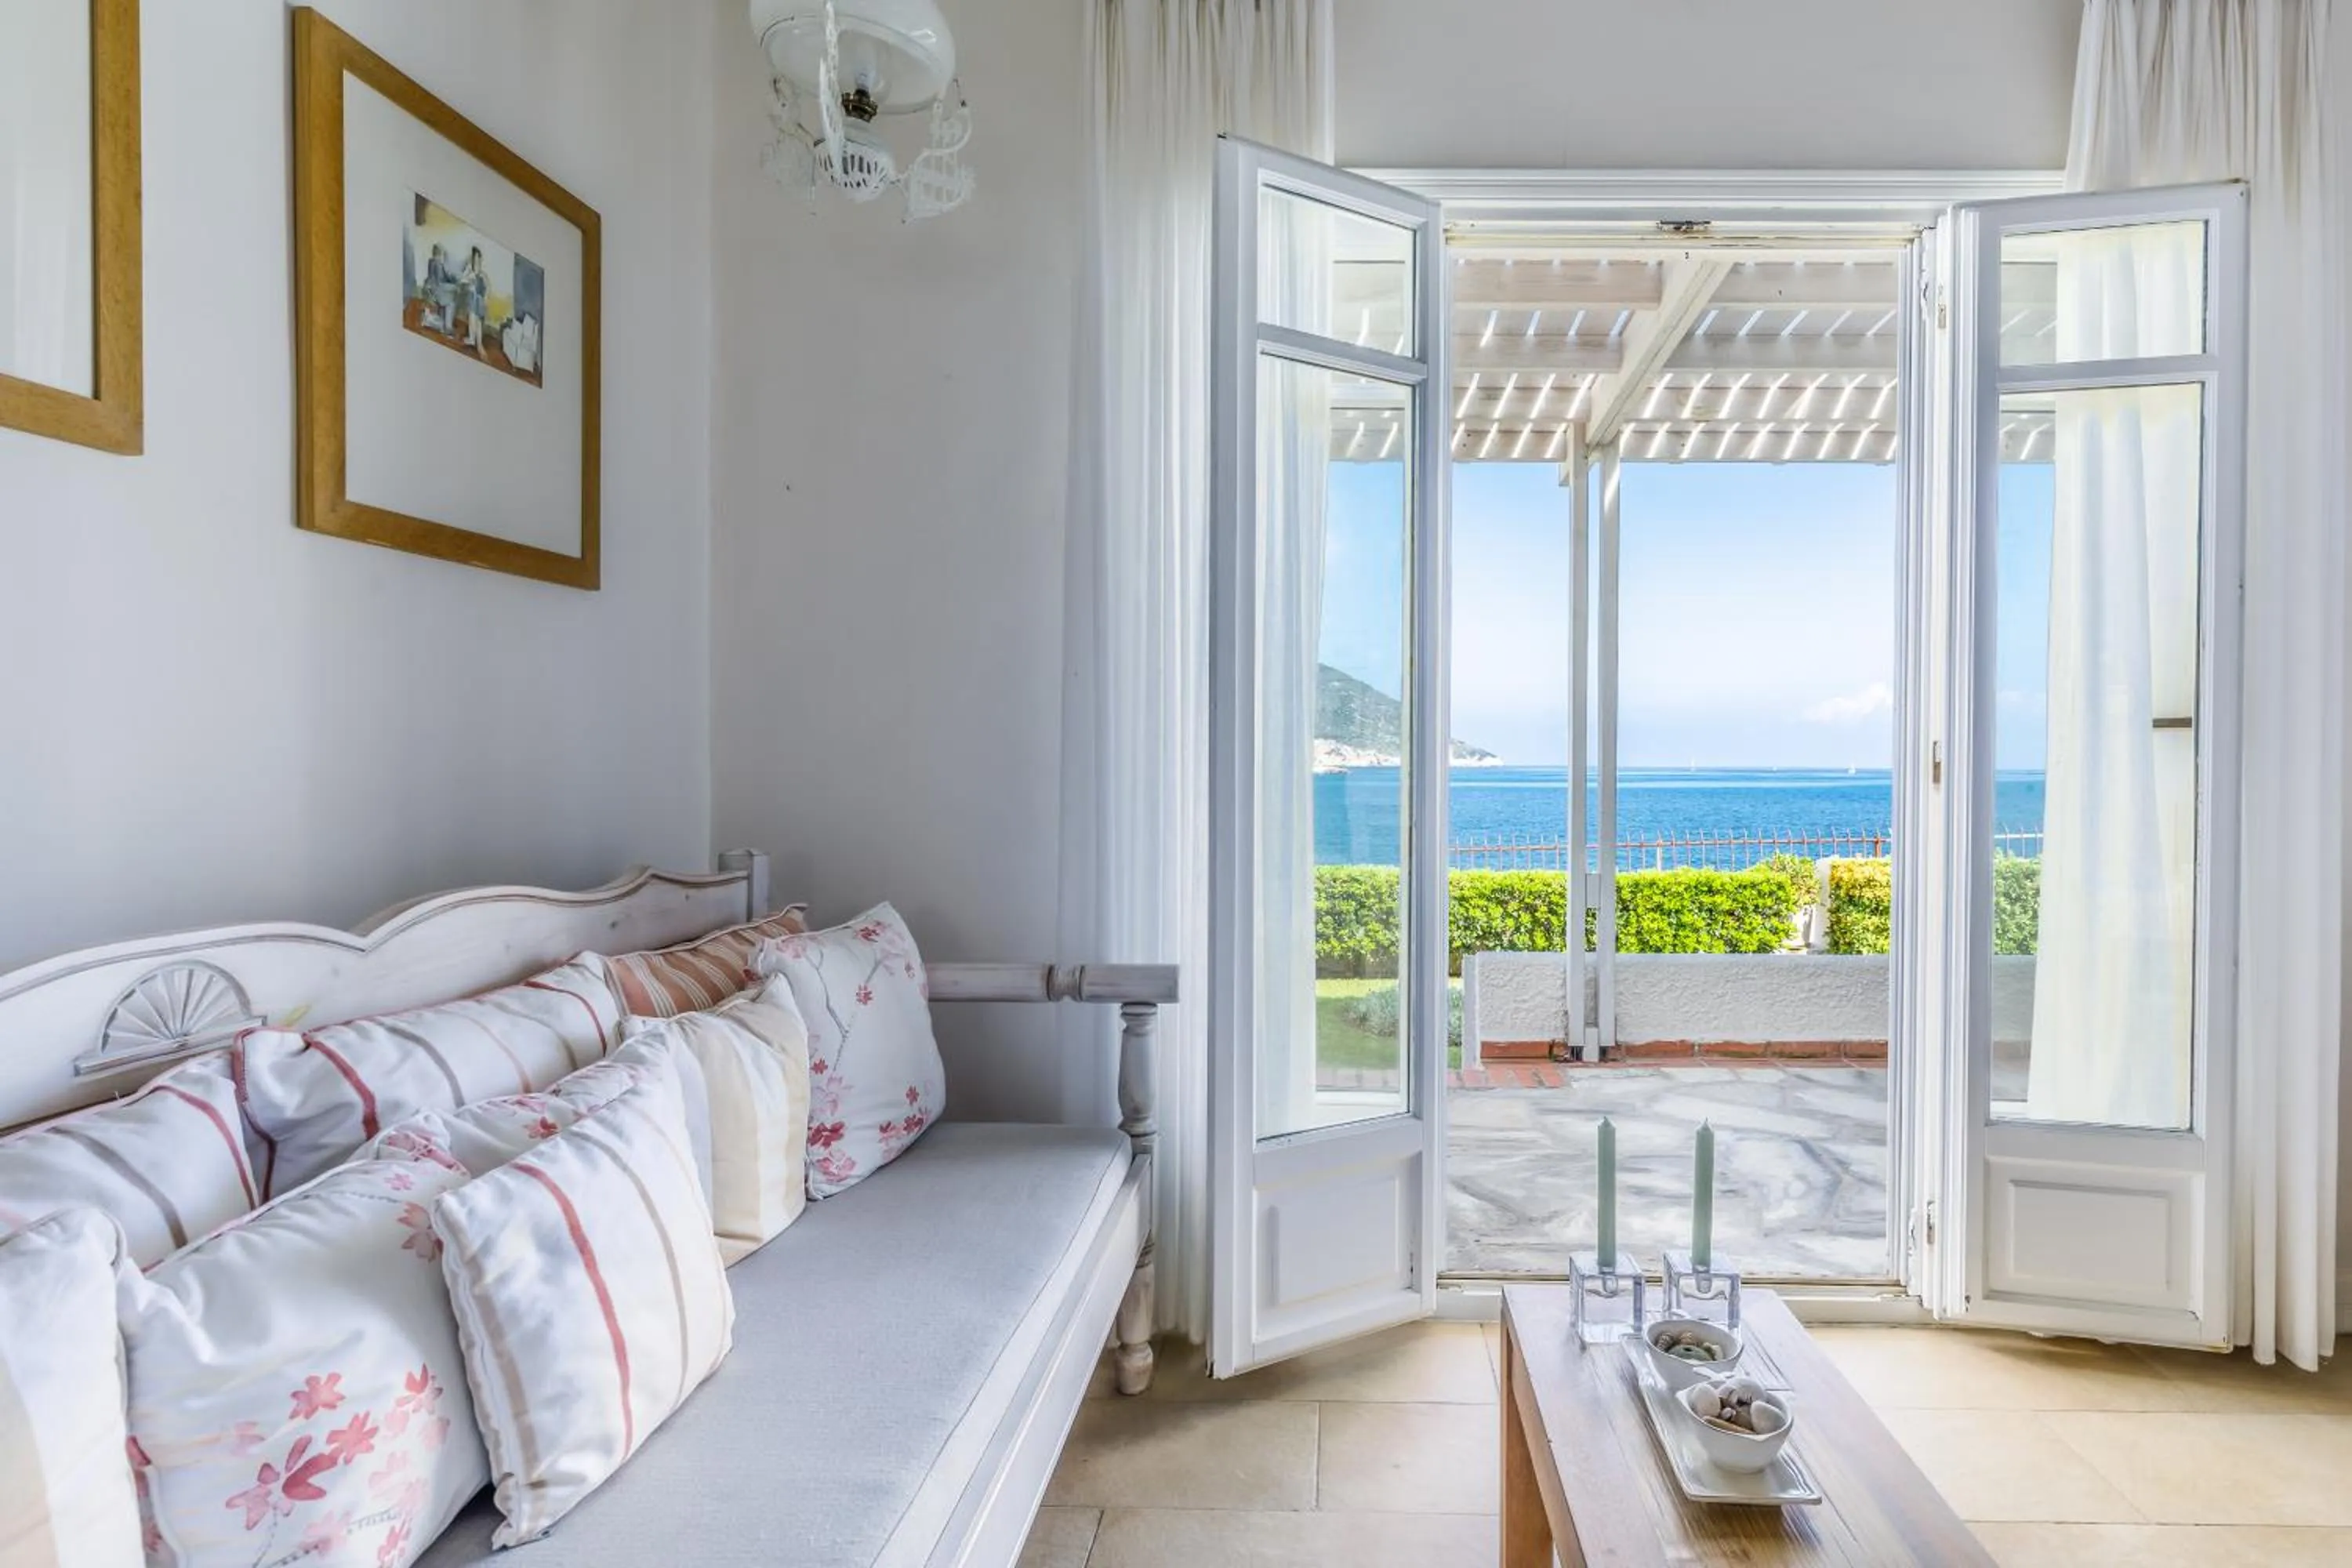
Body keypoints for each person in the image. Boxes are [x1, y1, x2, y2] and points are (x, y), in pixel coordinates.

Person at [459, 245, 491, 352]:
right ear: (473, 260)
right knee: (472, 319)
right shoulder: (470, 272)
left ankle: (479, 343)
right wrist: (469, 276)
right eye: (475, 259)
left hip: (480, 300)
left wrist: (486, 297)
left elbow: (488, 287)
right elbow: (463, 280)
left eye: (479, 259)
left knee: (478, 322)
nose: (477, 262)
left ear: (481, 260)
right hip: (472, 299)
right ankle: (472, 339)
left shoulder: (483, 275)